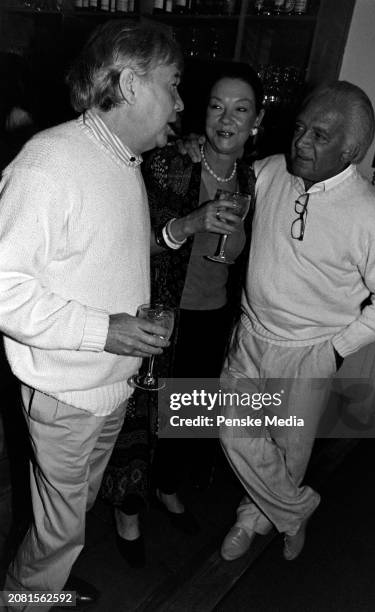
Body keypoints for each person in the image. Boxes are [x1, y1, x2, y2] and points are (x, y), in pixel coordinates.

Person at [0, 19, 186, 609]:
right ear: (131, 83)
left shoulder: (122, 160)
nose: (181, 102)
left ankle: (45, 580)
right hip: (66, 392)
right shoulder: (48, 163)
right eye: (174, 84)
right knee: (61, 532)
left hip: (108, 386)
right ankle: (26, 597)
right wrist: (107, 330)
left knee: (73, 513)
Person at [218, 81, 375, 563]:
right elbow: (228, 171)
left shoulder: (370, 216)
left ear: (352, 149)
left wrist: (337, 349)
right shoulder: (270, 172)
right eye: (300, 129)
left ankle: (253, 516)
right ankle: (295, 509)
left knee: (288, 450)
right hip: (251, 333)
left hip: (309, 351)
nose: (301, 143)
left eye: (319, 136)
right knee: (231, 429)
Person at [102, 62, 265, 566]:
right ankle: (127, 510)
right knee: (138, 418)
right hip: (157, 312)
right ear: (202, 112)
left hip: (212, 317)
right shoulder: (168, 163)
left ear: (255, 121)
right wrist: (190, 222)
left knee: (184, 416)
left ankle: (168, 488)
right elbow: (130, 244)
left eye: (240, 110)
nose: (226, 119)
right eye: (217, 105)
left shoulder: (251, 178)